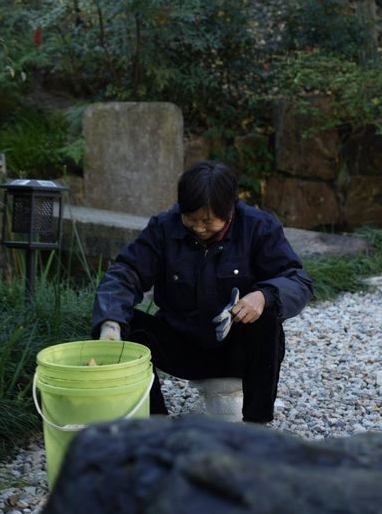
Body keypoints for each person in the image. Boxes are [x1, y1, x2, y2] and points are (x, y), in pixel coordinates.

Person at [91, 159, 313, 424]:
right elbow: (126, 272)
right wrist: (110, 325)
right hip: (182, 347)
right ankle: (155, 422)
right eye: (190, 218)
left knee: (267, 318)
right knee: (127, 325)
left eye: (207, 221)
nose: (198, 227)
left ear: (230, 209)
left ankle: (256, 424)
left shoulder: (258, 227)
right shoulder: (163, 228)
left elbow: (297, 279)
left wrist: (263, 296)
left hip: (238, 351)